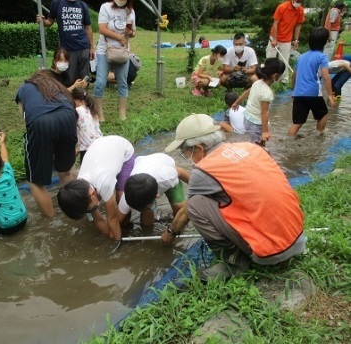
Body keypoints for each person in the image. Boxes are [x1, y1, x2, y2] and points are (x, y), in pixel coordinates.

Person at [163, 114, 305, 281]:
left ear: (199, 149)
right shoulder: (251, 147)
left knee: (195, 205)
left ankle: (234, 262)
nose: (187, 158)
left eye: (186, 153)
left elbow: (185, 213)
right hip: (297, 237)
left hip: (270, 252)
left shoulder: (203, 171)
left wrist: (171, 232)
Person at [16, 70, 77, 217]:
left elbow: (26, 119)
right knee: (66, 172)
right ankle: (75, 212)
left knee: (35, 181)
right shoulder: (57, 87)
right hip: (68, 117)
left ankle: (51, 219)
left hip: (40, 122)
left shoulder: (23, 89)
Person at [57, 135, 135, 241]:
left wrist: (117, 241)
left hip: (123, 150)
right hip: (102, 153)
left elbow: (112, 218)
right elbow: (98, 219)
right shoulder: (81, 187)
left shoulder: (104, 182)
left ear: (92, 193)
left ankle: (126, 226)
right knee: (100, 211)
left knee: (122, 198)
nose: (93, 209)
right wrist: (109, 234)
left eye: (91, 208)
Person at [117, 153, 190, 227]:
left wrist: (196, 186)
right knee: (146, 215)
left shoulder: (167, 177)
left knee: (180, 210)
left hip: (163, 162)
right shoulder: (128, 196)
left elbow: (181, 172)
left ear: (156, 195)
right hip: (142, 164)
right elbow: (117, 221)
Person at [93, 0, 136, 121]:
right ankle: (99, 112)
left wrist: (130, 32)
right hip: (104, 50)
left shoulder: (130, 11)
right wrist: (119, 37)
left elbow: (134, 33)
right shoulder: (105, 7)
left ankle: (122, 112)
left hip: (122, 52)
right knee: (100, 82)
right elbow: (102, 29)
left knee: (122, 82)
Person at [288, 28, 335, 137]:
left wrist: (294, 91)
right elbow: (326, 76)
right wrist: (331, 95)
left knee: (297, 123)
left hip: (298, 94)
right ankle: (319, 137)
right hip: (313, 93)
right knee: (323, 114)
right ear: (324, 43)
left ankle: (288, 142)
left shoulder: (301, 57)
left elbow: (294, 75)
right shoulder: (322, 57)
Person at [232, 58, 285, 146]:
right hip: (256, 124)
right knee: (259, 146)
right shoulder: (267, 93)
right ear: (275, 76)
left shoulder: (257, 82)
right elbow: (264, 113)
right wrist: (265, 132)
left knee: (253, 142)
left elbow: (247, 92)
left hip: (247, 118)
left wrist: (237, 102)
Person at [40, 0, 94, 86]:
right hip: (67, 49)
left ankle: (82, 98)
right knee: (69, 80)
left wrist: (91, 47)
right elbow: (50, 21)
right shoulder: (57, 3)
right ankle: (69, 97)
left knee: (84, 80)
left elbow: (88, 27)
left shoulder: (82, 5)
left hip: (84, 47)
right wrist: (42, 21)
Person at [266, 0, 305, 83]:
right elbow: (275, 23)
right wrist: (275, 39)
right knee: (270, 59)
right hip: (274, 37)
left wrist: (296, 40)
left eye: (300, 1)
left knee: (284, 60)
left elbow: (298, 25)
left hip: (287, 39)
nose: (298, 3)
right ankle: (268, 78)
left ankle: (284, 80)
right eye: (297, 1)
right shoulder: (282, 7)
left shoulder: (300, 10)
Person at [72, 87, 103, 164]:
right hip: (99, 144)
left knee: (86, 173)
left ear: (80, 101)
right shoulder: (92, 110)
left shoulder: (77, 111)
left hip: (87, 150)